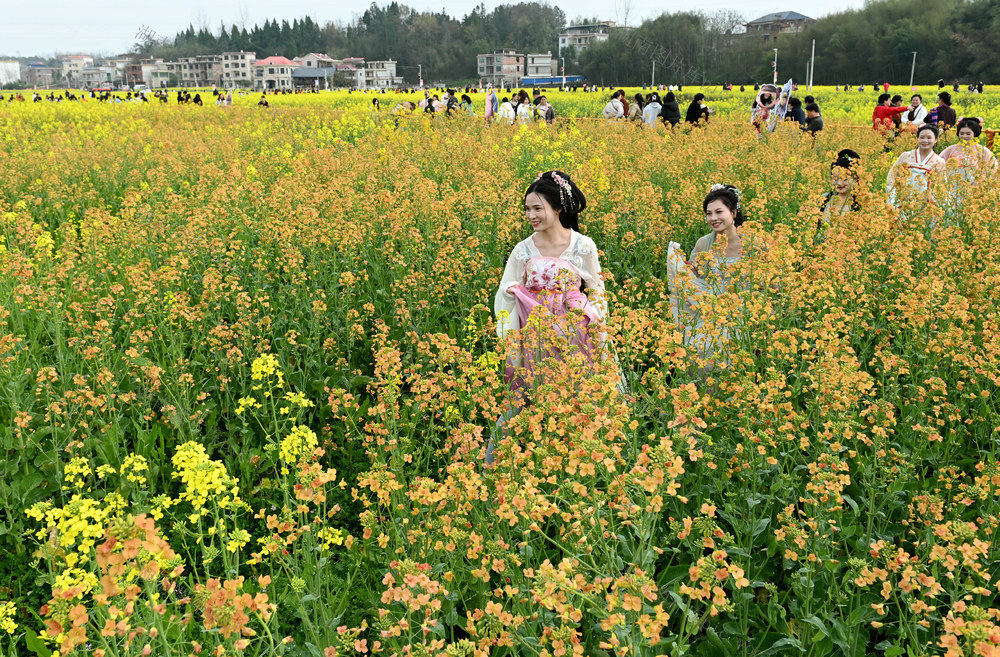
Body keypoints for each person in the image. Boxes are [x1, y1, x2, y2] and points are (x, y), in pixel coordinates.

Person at [490, 171, 607, 464]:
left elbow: (597, 291)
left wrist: (590, 321)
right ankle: (497, 465)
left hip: (574, 334)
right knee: (524, 395)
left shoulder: (583, 245)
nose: (531, 215)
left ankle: (583, 463)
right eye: (527, 209)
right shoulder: (523, 249)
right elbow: (505, 290)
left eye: (537, 208)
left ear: (557, 207)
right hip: (535, 335)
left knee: (580, 399)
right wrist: (516, 293)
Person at [666, 185, 746, 364]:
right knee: (694, 347)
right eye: (709, 214)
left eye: (719, 212)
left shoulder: (752, 243)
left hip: (743, 316)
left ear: (733, 213)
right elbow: (695, 278)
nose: (713, 218)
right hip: (710, 313)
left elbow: (770, 286)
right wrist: (681, 266)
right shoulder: (703, 244)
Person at [940, 118, 998, 207]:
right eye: (961, 133)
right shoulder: (951, 149)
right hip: (953, 187)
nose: (964, 136)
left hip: (974, 188)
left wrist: (979, 183)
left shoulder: (982, 151)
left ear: (974, 133)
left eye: (968, 133)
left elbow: (992, 168)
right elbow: (939, 163)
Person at [886, 124, 946, 207]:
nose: (925, 140)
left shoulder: (939, 161)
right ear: (917, 139)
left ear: (935, 140)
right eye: (922, 137)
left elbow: (942, 184)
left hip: (926, 203)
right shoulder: (906, 156)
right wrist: (892, 196)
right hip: (903, 201)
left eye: (929, 138)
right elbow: (892, 175)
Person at [818, 149, 861, 236]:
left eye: (845, 179)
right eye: (835, 178)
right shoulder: (823, 199)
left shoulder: (863, 205)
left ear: (856, 179)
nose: (839, 183)